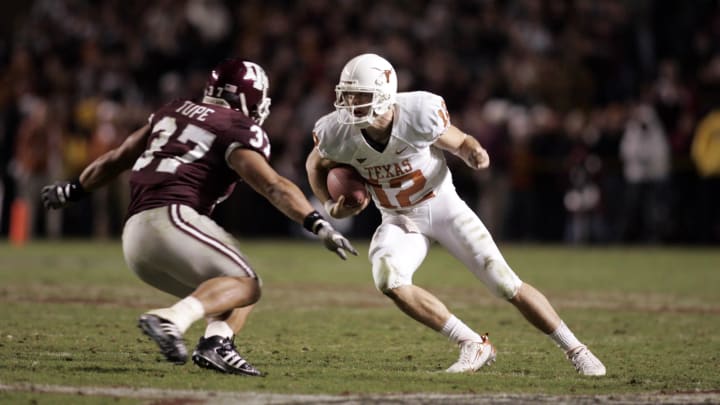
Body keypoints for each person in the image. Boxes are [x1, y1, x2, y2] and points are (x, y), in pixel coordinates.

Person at [42, 58, 357, 376]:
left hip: (136, 238)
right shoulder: (235, 127)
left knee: (229, 288)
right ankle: (171, 320)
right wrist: (317, 223)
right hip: (173, 219)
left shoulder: (173, 111)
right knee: (247, 284)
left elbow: (116, 159)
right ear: (247, 97)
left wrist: (72, 190)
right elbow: (273, 186)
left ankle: (216, 346)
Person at [306, 53, 605, 376]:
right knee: (388, 278)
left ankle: (576, 348)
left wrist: (473, 153)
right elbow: (315, 164)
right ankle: (472, 343)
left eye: (359, 95)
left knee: (506, 284)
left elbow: (460, 141)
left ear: (384, 93)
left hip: (442, 206)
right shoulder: (337, 131)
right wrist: (328, 203)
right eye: (347, 94)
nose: (351, 103)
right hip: (398, 218)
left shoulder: (417, 113)